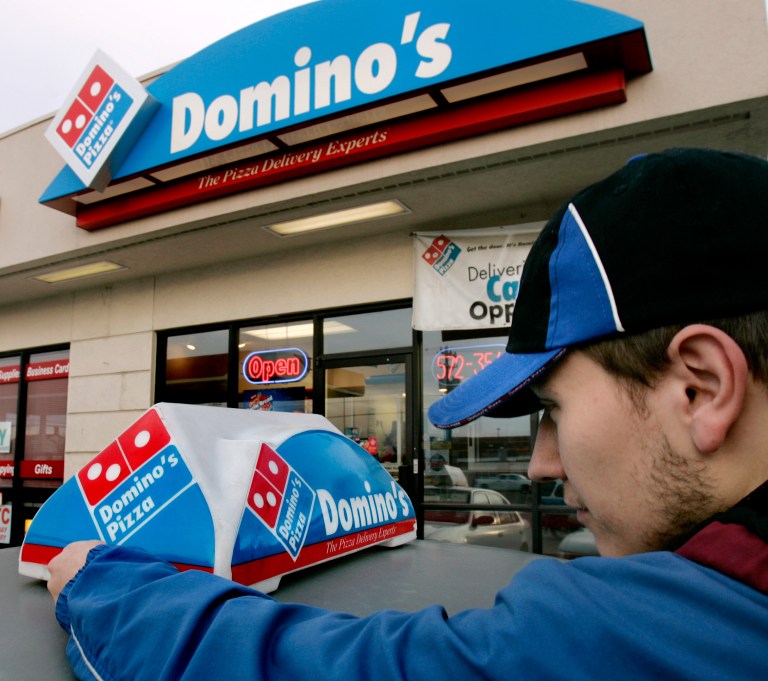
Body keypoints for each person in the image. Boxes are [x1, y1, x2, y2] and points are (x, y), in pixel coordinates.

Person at [48, 148, 768, 680]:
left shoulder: (672, 631)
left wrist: (99, 583)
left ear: (700, 388)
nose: (542, 463)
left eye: (551, 409)